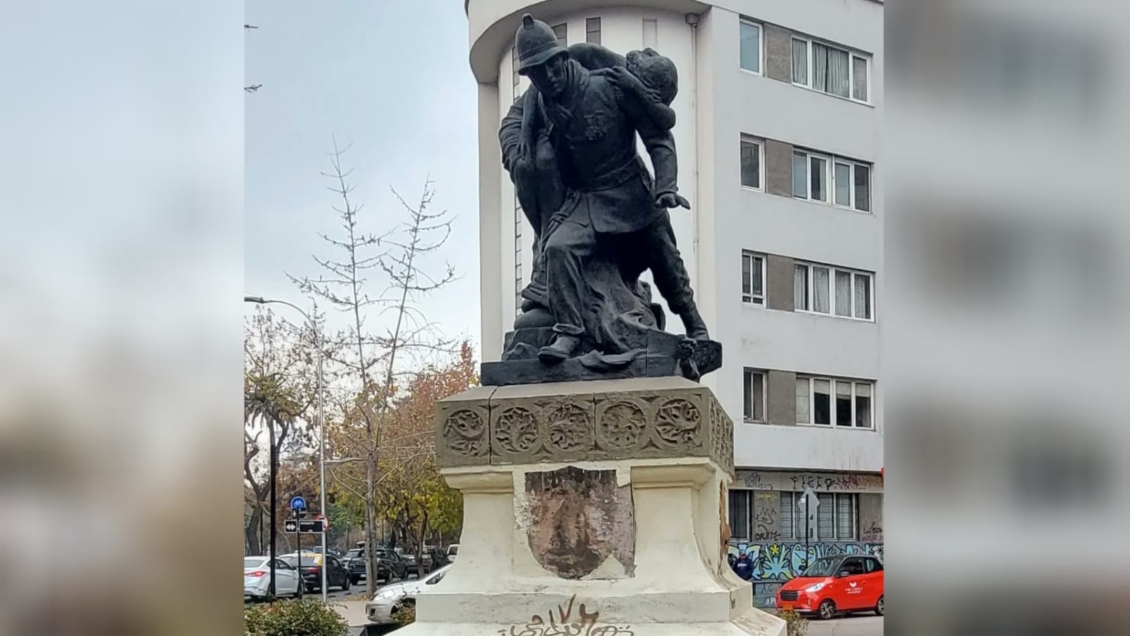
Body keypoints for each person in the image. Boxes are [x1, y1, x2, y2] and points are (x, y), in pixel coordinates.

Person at [503, 14, 709, 363]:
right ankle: (568, 331)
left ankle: (696, 326)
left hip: (631, 192)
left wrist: (666, 187)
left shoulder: (611, 85)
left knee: (666, 259)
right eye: (538, 72)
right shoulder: (541, 97)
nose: (548, 77)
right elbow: (532, 119)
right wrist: (524, 139)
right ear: (531, 75)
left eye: (552, 67)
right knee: (557, 248)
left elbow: (658, 137)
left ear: (563, 59)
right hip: (586, 198)